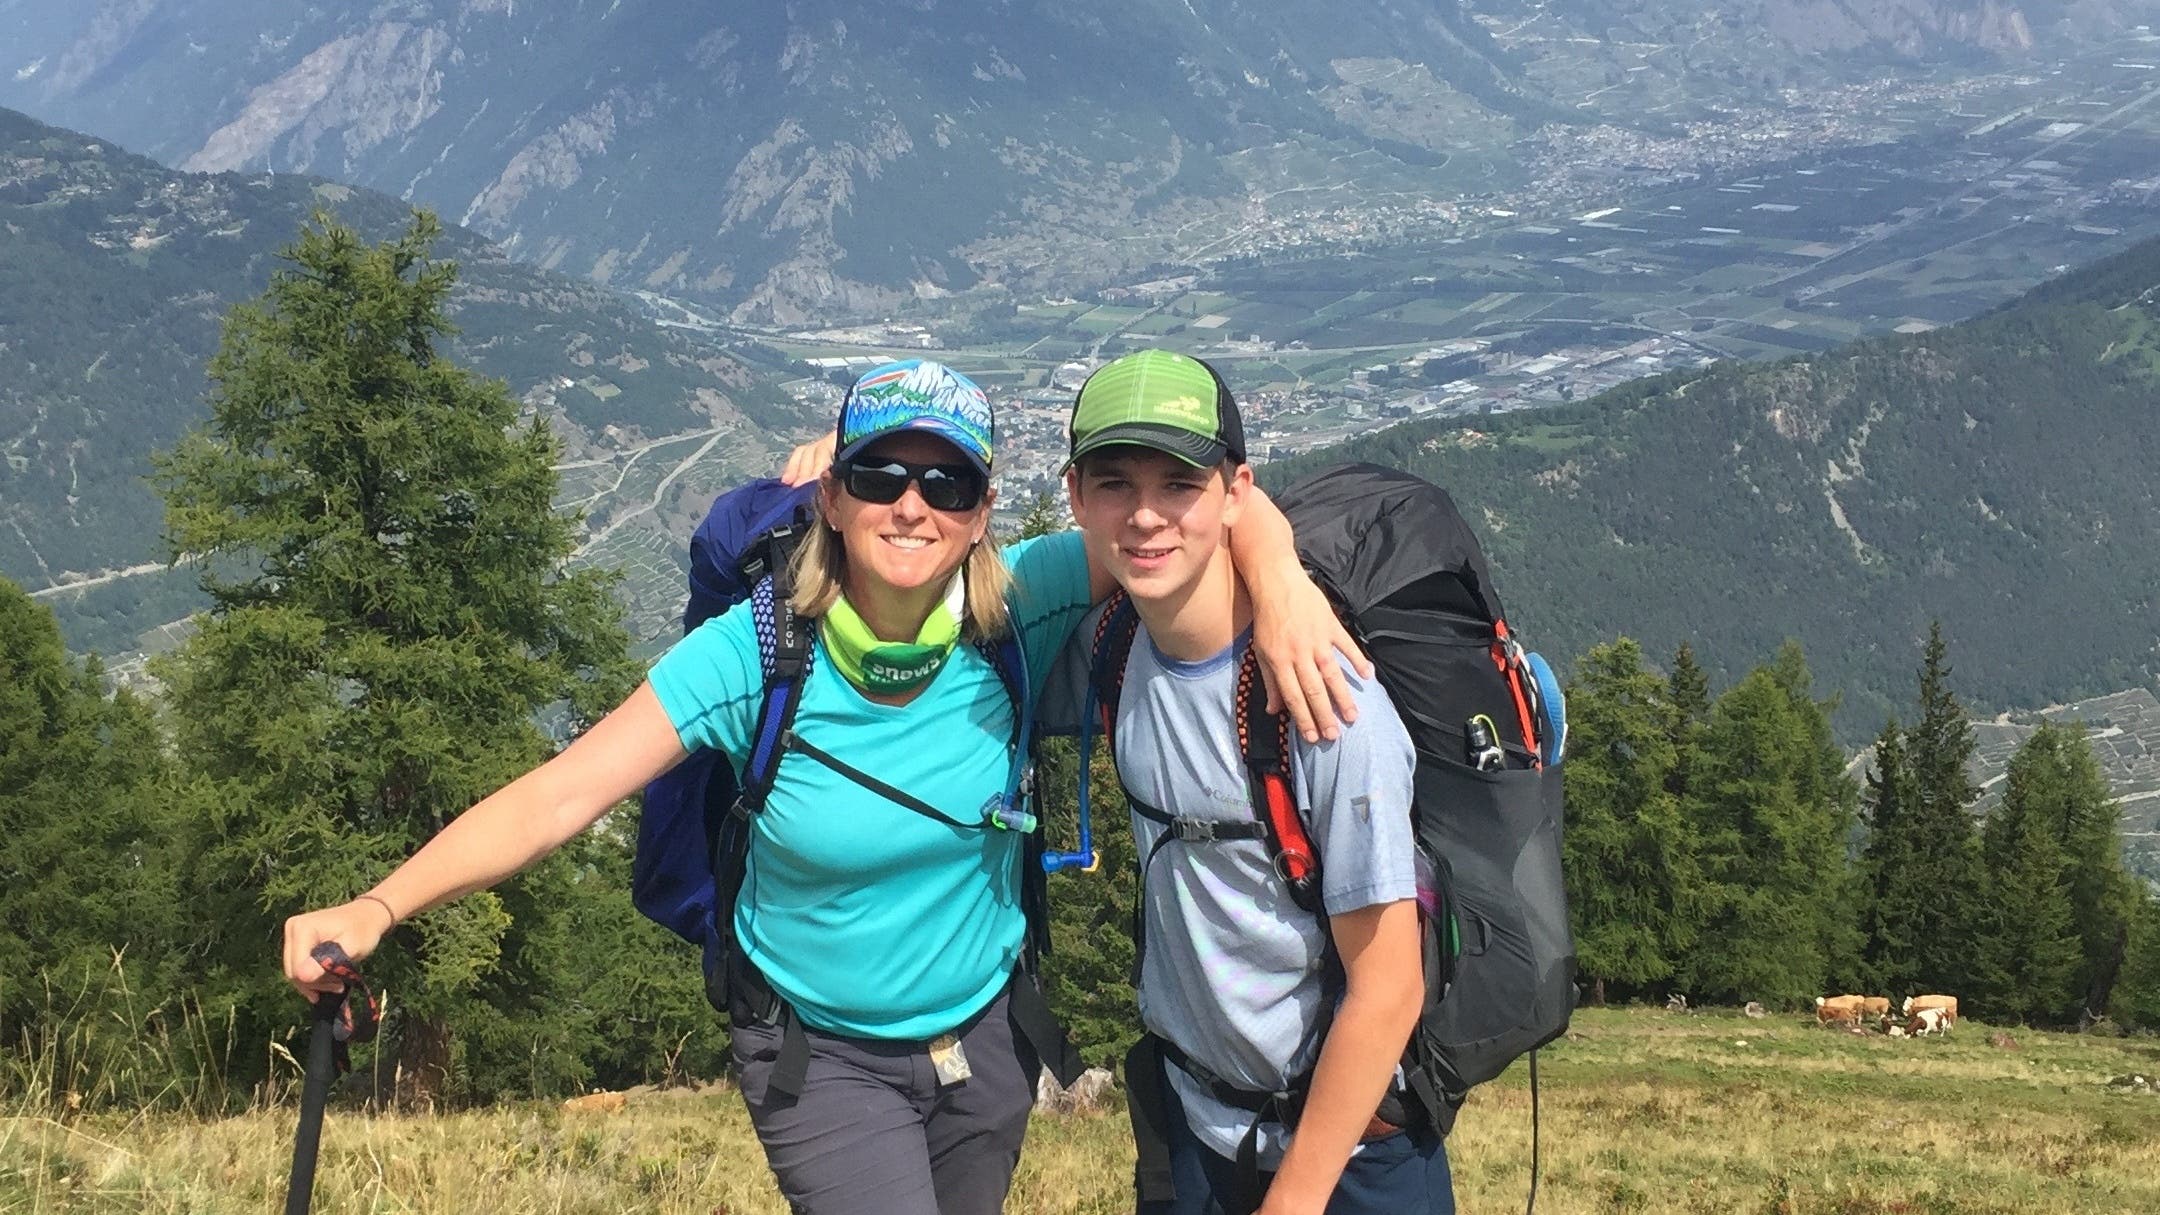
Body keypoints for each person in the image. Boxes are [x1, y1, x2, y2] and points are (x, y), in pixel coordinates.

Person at [281, 358, 1363, 1215]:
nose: (912, 505)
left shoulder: (1015, 606)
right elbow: (559, 796)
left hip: (985, 1042)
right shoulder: (755, 656)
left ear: (983, 510)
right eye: (880, 476)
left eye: (946, 483)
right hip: (820, 1052)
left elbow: (1192, 519)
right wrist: (378, 906)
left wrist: (1279, 581)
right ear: (832, 499)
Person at [1051, 350, 1449, 1215]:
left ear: (1235, 492)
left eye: (1179, 483)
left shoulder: (1322, 700)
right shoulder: (1113, 644)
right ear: (1076, 496)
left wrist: (1293, 1200)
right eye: (1115, 484)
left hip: (1351, 1153)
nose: (1145, 515)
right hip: (1194, 1125)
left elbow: (1389, 988)